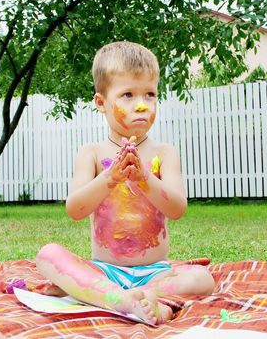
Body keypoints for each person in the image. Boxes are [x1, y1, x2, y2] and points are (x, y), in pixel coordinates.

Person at [35, 41, 215, 325]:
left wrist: (145, 179)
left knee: (201, 278)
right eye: (128, 94)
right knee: (47, 255)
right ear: (101, 102)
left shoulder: (163, 153)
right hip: (105, 270)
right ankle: (123, 298)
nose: (142, 104)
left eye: (150, 94)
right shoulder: (92, 153)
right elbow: (75, 210)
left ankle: (122, 296)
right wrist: (110, 178)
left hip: (156, 272)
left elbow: (178, 209)